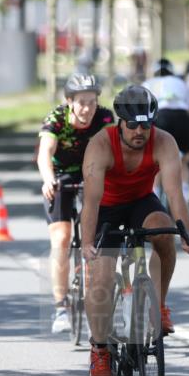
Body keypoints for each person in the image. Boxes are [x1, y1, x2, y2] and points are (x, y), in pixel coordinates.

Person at [81, 85, 189, 376]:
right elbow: (91, 202)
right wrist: (87, 243)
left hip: (140, 202)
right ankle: (99, 348)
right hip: (106, 208)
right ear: (120, 122)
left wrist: (186, 234)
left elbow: (175, 194)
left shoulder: (164, 142)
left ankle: (158, 305)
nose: (139, 131)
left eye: (146, 125)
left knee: (164, 230)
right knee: (101, 277)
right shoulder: (100, 145)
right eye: (133, 125)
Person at [37, 73, 115, 333]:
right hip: (61, 177)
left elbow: (113, 150)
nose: (87, 109)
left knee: (100, 232)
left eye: (92, 102)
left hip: (92, 174)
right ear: (69, 101)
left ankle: (100, 295)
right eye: (81, 102)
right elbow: (45, 153)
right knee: (61, 238)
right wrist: (48, 179)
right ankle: (61, 307)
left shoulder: (104, 118)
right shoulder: (57, 119)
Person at [142, 58, 189, 198]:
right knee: (183, 159)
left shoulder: (148, 84)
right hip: (181, 117)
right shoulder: (181, 83)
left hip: (161, 117)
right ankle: (184, 196)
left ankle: (155, 196)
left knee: (157, 160)